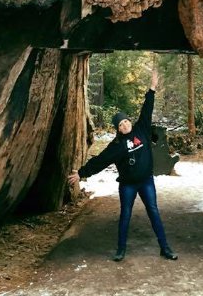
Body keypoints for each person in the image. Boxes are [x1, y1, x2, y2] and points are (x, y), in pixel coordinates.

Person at [67, 69, 178, 262]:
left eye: (126, 121)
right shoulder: (116, 146)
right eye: (121, 124)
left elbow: (147, 108)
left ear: (130, 121)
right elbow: (100, 160)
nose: (125, 125)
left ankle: (165, 248)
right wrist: (82, 173)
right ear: (117, 129)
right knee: (125, 215)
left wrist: (152, 88)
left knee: (153, 211)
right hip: (127, 185)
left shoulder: (141, 129)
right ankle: (121, 249)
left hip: (146, 181)